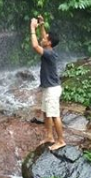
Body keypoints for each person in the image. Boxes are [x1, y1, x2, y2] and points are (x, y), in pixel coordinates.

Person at [30, 15, 65, 151]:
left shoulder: (48, 54)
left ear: (48, 43)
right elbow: (45, 37)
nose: (42, 38)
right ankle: (50, 136)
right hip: (48, 87)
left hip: (52, 89)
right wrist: (42, 25)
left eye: (44, 38)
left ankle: (61, 140)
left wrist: (32, 28)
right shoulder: (50, 49)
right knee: (46, 113)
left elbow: (35, 45)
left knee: (54, 115)